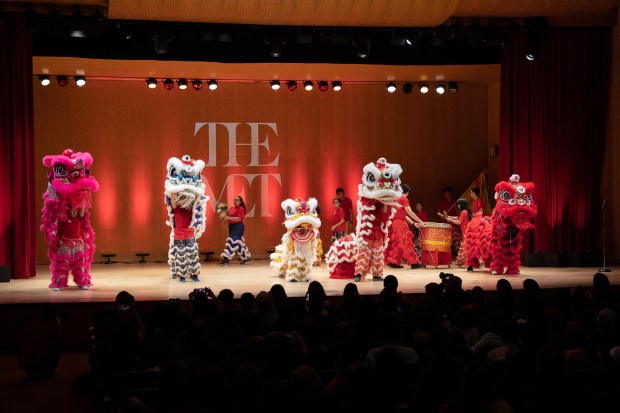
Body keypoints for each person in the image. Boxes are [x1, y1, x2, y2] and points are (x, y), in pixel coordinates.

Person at [164, 155, 208, 282]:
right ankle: (181, 275)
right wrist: (172, 194)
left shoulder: (191, 205)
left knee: (192, 254)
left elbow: (197, 197)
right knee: (180, 254)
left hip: (188, 232)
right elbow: (172, 202)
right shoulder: (177, 206)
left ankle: (194, 274)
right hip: (178, 232)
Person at [385, 184, 425, 269]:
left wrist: (414, 223)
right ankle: (414, 263)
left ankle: (394, 261)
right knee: (406, 242)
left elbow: (404, 215)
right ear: (407, 192)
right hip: (400, 223)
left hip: (395, 223)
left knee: (398, 243)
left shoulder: (395, 199)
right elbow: (410, 213)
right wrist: (420, 221)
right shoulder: (404, 199)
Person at [220, 195, 252, 265]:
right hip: (232, 227)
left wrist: (228, 218)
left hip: (238, 227)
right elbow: (225, 216)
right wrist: (223, 215)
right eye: (234, 200)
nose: (235, 201)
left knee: (232, 243)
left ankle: (226, 260)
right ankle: (246, 259)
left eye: (236, 200)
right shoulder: (231, 208)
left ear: (240, 202)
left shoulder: (241, 209)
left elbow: (239, 219)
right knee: (239, 243)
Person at [439, 199, 471, 268]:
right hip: (466, 230)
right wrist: (448, 216)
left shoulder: (463, 212)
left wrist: (450, 220)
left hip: (465, 230)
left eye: (459, 204)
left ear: (461, 204)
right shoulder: (466, 211)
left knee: (465, 246)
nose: (458, 206)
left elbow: (459, 222)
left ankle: (467, 262)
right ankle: (466, 261)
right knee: (466, 245)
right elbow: (458, 218)